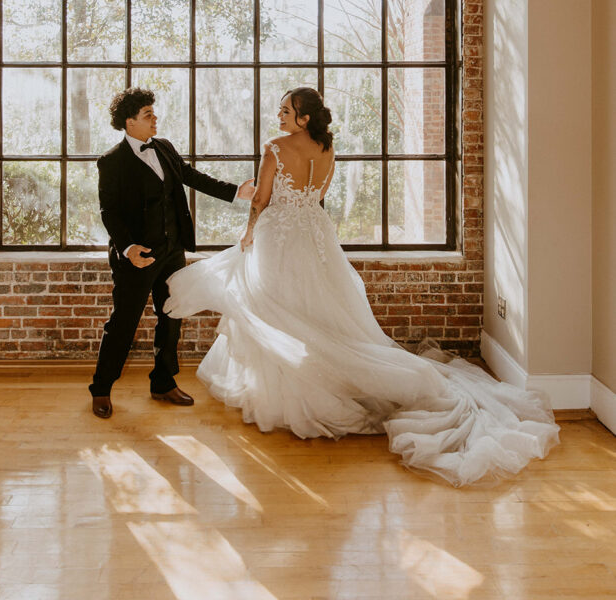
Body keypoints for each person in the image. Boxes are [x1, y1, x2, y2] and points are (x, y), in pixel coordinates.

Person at [164, 86, 560, 487]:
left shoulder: (275, 148)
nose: (279, 115)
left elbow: (261, 200)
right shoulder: (327, 148)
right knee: (317, 311)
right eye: (281, 110)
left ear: (304, 117)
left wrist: (249, 233)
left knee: (277, 310)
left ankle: (293, 394)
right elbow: (317, 196)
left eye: (287, 110)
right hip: (315, 237)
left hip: (279, 238)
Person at [89, 87, 255, 419]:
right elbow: (110, 212)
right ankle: (102, 389)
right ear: (130, 121)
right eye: (148, 114)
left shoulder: (164, 147)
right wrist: (129, 248)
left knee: (172, 317)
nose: (155, 119)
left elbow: (191, 176)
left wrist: (237, 192)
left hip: (172, 250)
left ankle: (163, 383)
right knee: (123, 323)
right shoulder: (111, 161)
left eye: (154, 113)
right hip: (137, 256)